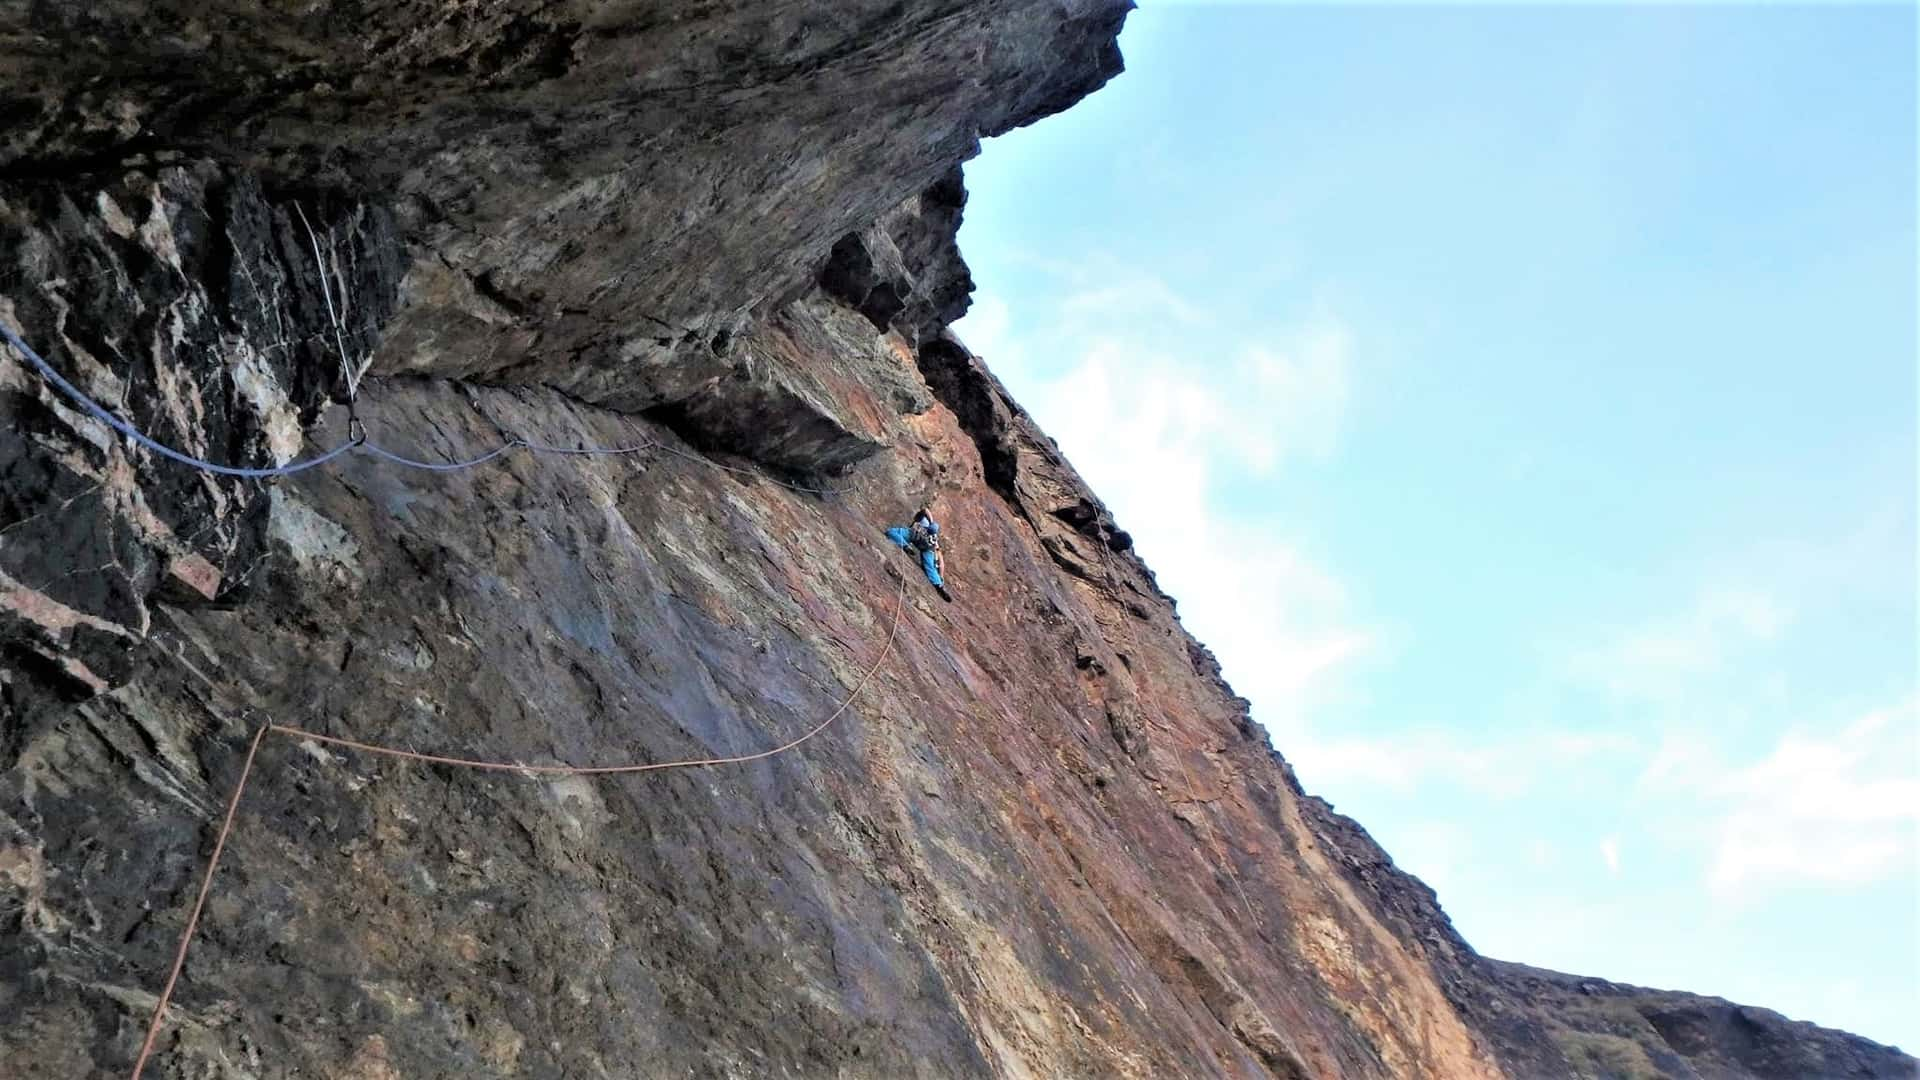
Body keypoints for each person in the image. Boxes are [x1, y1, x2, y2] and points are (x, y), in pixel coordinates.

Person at [886, 506, 952, 601]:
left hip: (913, 536)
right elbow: (940, 561)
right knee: (929, 567)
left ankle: (905, 545)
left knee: (891, 532)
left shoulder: (924, 521)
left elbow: (925, 510)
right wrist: (941, 578)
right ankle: (938, 585)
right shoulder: (934, 539)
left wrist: (931, 521)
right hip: (926, 548)